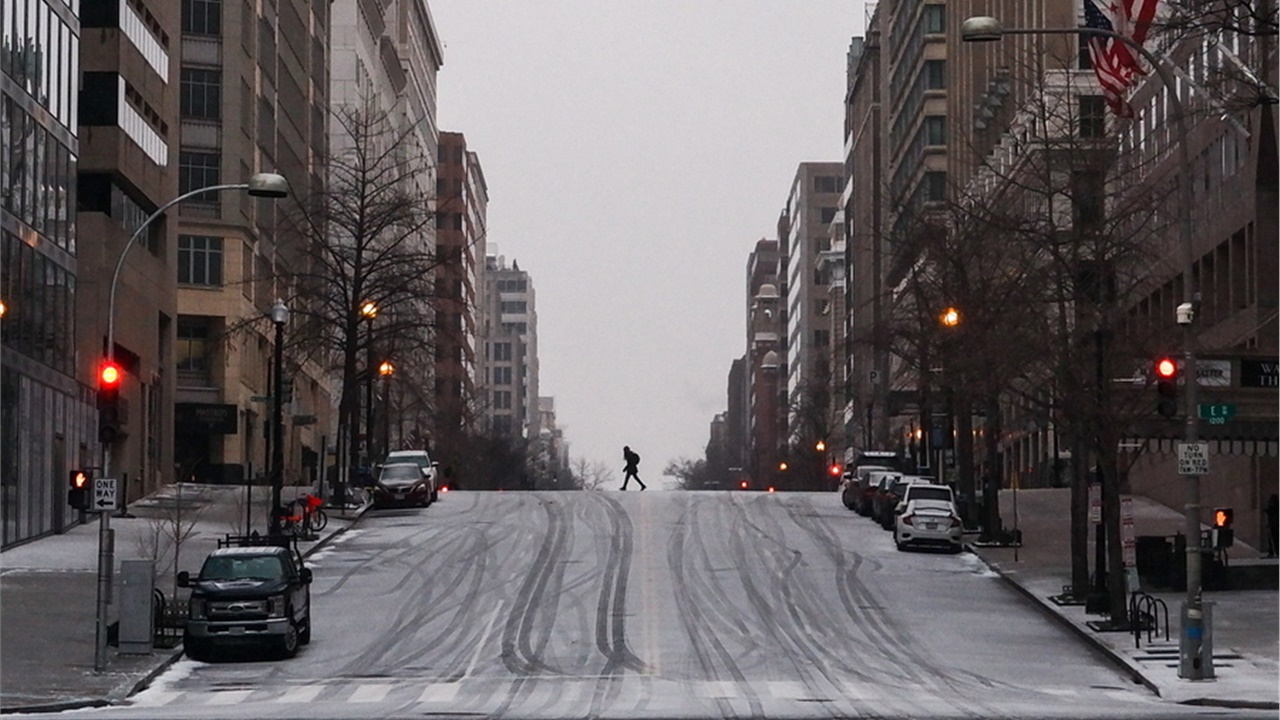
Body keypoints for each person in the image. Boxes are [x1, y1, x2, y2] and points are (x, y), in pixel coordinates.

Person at [1266, 493, 1278, 558]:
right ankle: (1273, 551)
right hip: (1273, 525)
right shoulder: (1272, 508)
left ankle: (1274, 551)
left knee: (1274, 539)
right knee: (1272, 539)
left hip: (1274, 525)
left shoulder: (1274, 508)